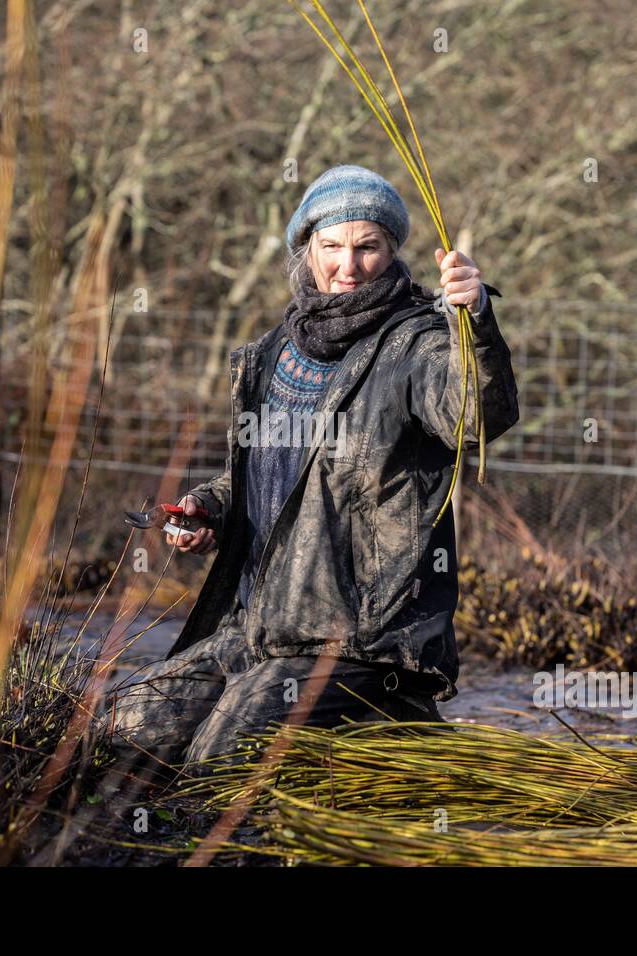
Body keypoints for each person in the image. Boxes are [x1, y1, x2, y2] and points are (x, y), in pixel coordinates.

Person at [100, 164, 519, 784]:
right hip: (262, 628)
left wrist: (475, 321)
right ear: (307, 249)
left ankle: (394, 723)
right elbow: (262, 475)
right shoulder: (271, 354)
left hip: (364, 644)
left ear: (392, 250)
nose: (348, 265)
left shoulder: (419, 343)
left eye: (367, 246)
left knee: (218, 761)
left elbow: (475, 415)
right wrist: (209, 510)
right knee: (124, 726)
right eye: (331, 246)